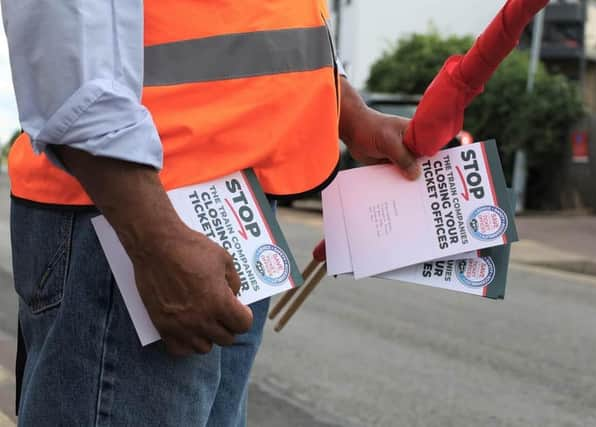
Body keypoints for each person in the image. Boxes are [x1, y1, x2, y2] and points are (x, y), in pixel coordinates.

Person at [1, 1, 419, 425]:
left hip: (232, 210)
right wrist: (153, 238)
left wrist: (347, 110)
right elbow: (62, 25)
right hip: (132, 218)